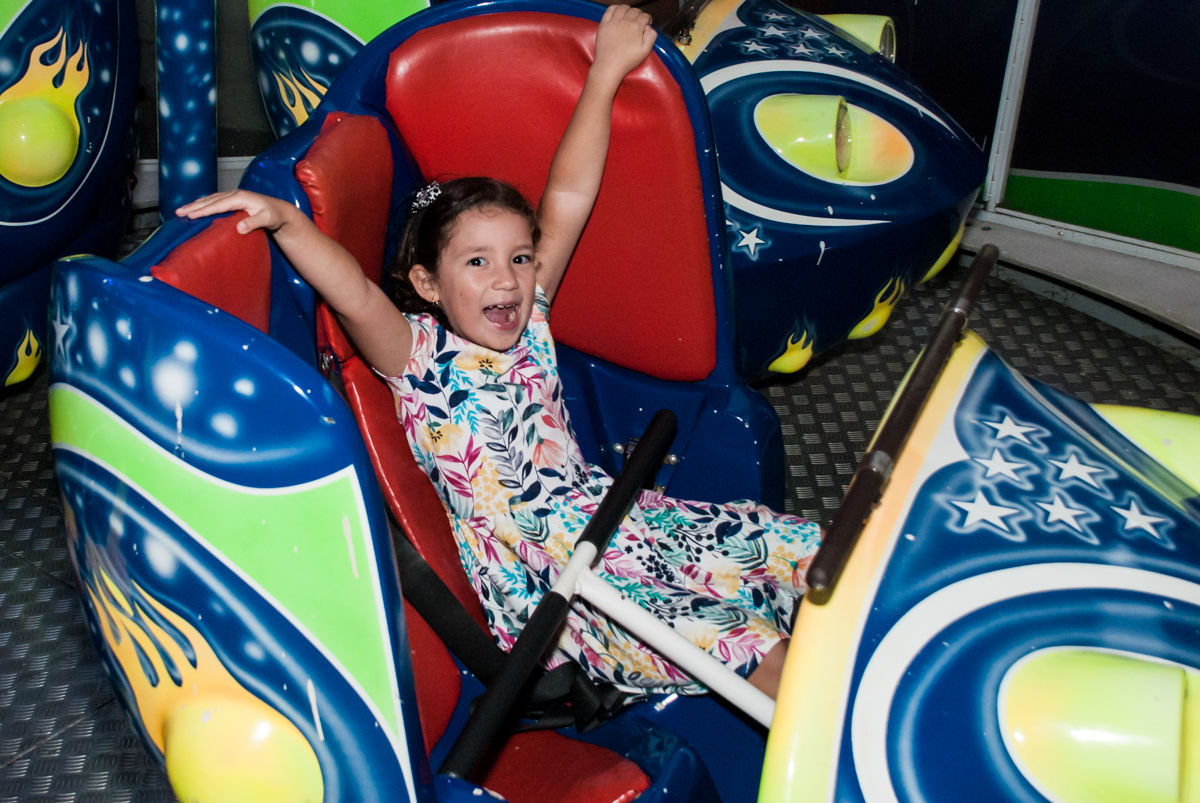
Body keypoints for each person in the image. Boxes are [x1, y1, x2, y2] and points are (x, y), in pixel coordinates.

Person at [177, 5, 820, 700]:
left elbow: (568, 195)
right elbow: (357, 296)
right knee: (756, 645)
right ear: (427, 283)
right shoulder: (418, 357)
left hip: (617, 522)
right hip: (556, 583)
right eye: (477, 263)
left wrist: (604, 73)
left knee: (800, 550)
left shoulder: (532, 314)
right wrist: (289, 222)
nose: (508, 276)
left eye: (518, 256)